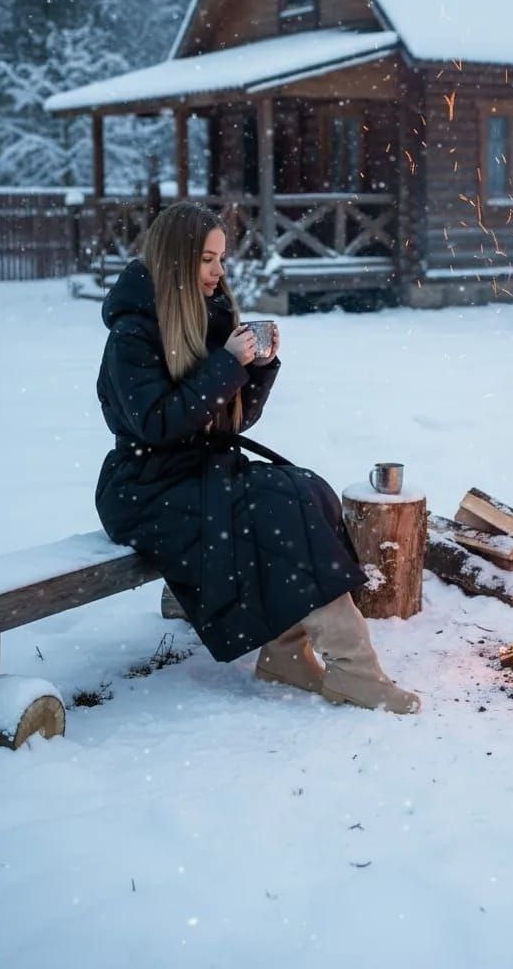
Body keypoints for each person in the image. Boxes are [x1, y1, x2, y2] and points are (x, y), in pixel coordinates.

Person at [95, 201, 420, 714]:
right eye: (206, 259)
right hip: (146, 489)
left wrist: (258, 369)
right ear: (176, 260)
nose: (218, 271)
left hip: (197, 474)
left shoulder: (203, 318)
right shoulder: (131, 335)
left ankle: (288, 654)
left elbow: (231, 423)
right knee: (277, 508)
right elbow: (158, 424)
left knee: (305, 489)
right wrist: (226, 364)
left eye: (220, 258)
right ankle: (356, 670)